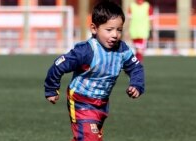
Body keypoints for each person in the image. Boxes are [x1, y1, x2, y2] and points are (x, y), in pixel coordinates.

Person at [44, 1, 145, 141]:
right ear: (94, 28)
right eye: (109, 30)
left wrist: (136, 84)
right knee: (89, 138)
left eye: (119, 29)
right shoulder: (86, 51)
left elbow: (136, 67)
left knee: (87, 137)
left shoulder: (122, 50)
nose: (115, 35)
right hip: (80, 100)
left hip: (102, 104)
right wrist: (51, 89)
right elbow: (58, 65)